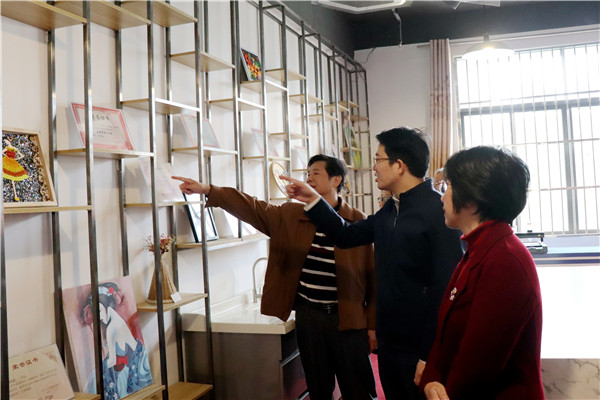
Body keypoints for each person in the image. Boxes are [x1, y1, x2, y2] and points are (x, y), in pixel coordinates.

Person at [173, 154, 377, 400]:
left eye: (316, 173)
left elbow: (372, 278)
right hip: (310, 317)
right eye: (308, 173)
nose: (309, 178)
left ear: (336, 180)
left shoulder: (356, 220)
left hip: (348, 319)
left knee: (358, 388)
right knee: (318, 387)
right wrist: (209, 190)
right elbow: (252, 207)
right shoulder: (291, 215)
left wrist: (372, 326)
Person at [283, 127, 464, 400]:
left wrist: (429, 356)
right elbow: (345, 235)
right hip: (391, 344)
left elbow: (447, 292)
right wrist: (313, 199)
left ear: (399, 165)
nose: (373, 168)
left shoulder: (438, 211)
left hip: (420, 349)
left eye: (378, 159)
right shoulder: (391, 208)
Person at [419, 146, 544, 400]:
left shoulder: (504, 260)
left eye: (448, 187)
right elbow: (445, 334)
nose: (442, 197)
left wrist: (441, 389)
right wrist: (432, 378)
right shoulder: (478, 249)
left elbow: (478, 364)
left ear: (472, 198)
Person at [82, 282, 153, 399]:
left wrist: (98, 369)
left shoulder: (112, 328)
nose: (98, 317)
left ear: (107, 305)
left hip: (133, 363)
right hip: (136, 357)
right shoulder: (116, 319)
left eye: (99, 311)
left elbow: (112, 361)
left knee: (94, 378)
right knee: (94, 377)